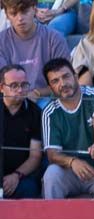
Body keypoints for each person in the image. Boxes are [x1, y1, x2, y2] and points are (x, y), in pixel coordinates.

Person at [40, 56, 94, 198]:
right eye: (55, 81)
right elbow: (52, 154)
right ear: (50, 88)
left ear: (75, 76)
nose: (63, 83)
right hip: (70, 172)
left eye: (66, 76)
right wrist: (72, 162)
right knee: (51, 174)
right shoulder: (49, 112)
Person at [0, 0, 69, 106]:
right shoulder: (1, 42)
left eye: (24, 11)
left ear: (34, 9)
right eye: (14, 13)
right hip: (11, 101)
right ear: (7, 15)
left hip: (44, 100)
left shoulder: (55, 39)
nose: (20, 18)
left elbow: (63, 82)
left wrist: (37, 93)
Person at [1, 63, 41, 197]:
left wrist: (16, 176)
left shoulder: (35, 113)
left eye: (24, 85)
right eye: (14, 85)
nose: (20, 90)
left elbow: (35, 156)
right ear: (1, 87)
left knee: (30, 189)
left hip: (21, 176)